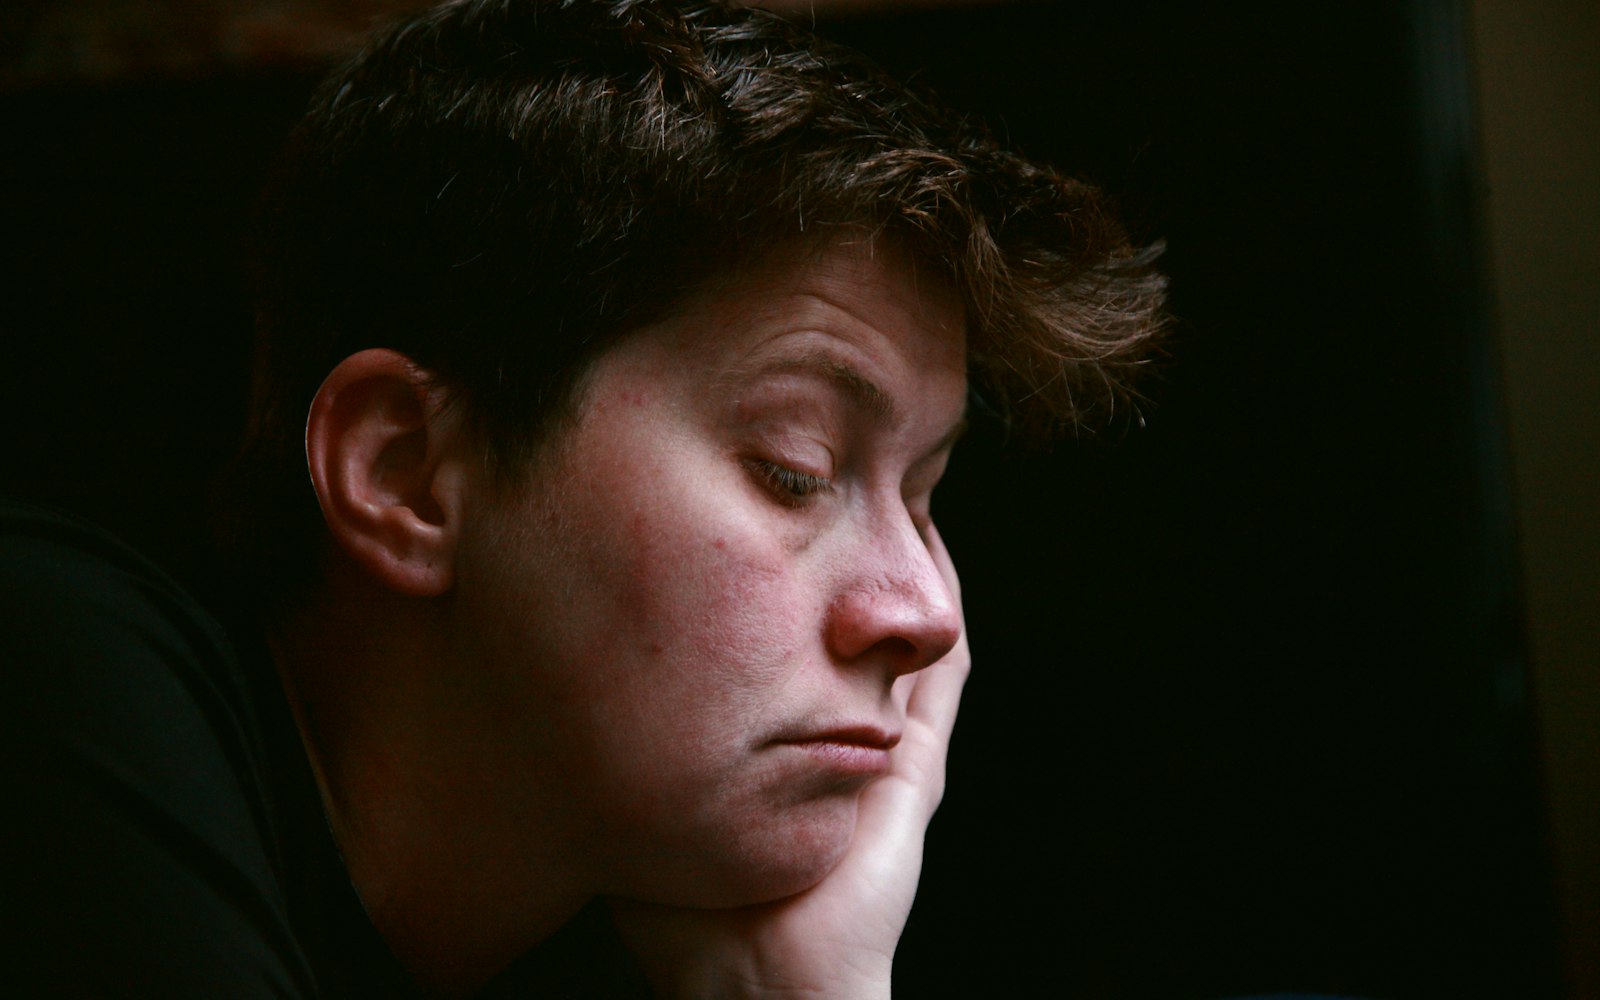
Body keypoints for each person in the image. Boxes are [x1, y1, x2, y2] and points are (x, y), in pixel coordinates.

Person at [0, 0, 1165, 995]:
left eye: (922, 496)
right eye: (793, 468)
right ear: (405, 474)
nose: (924, 614)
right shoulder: (55, 684)